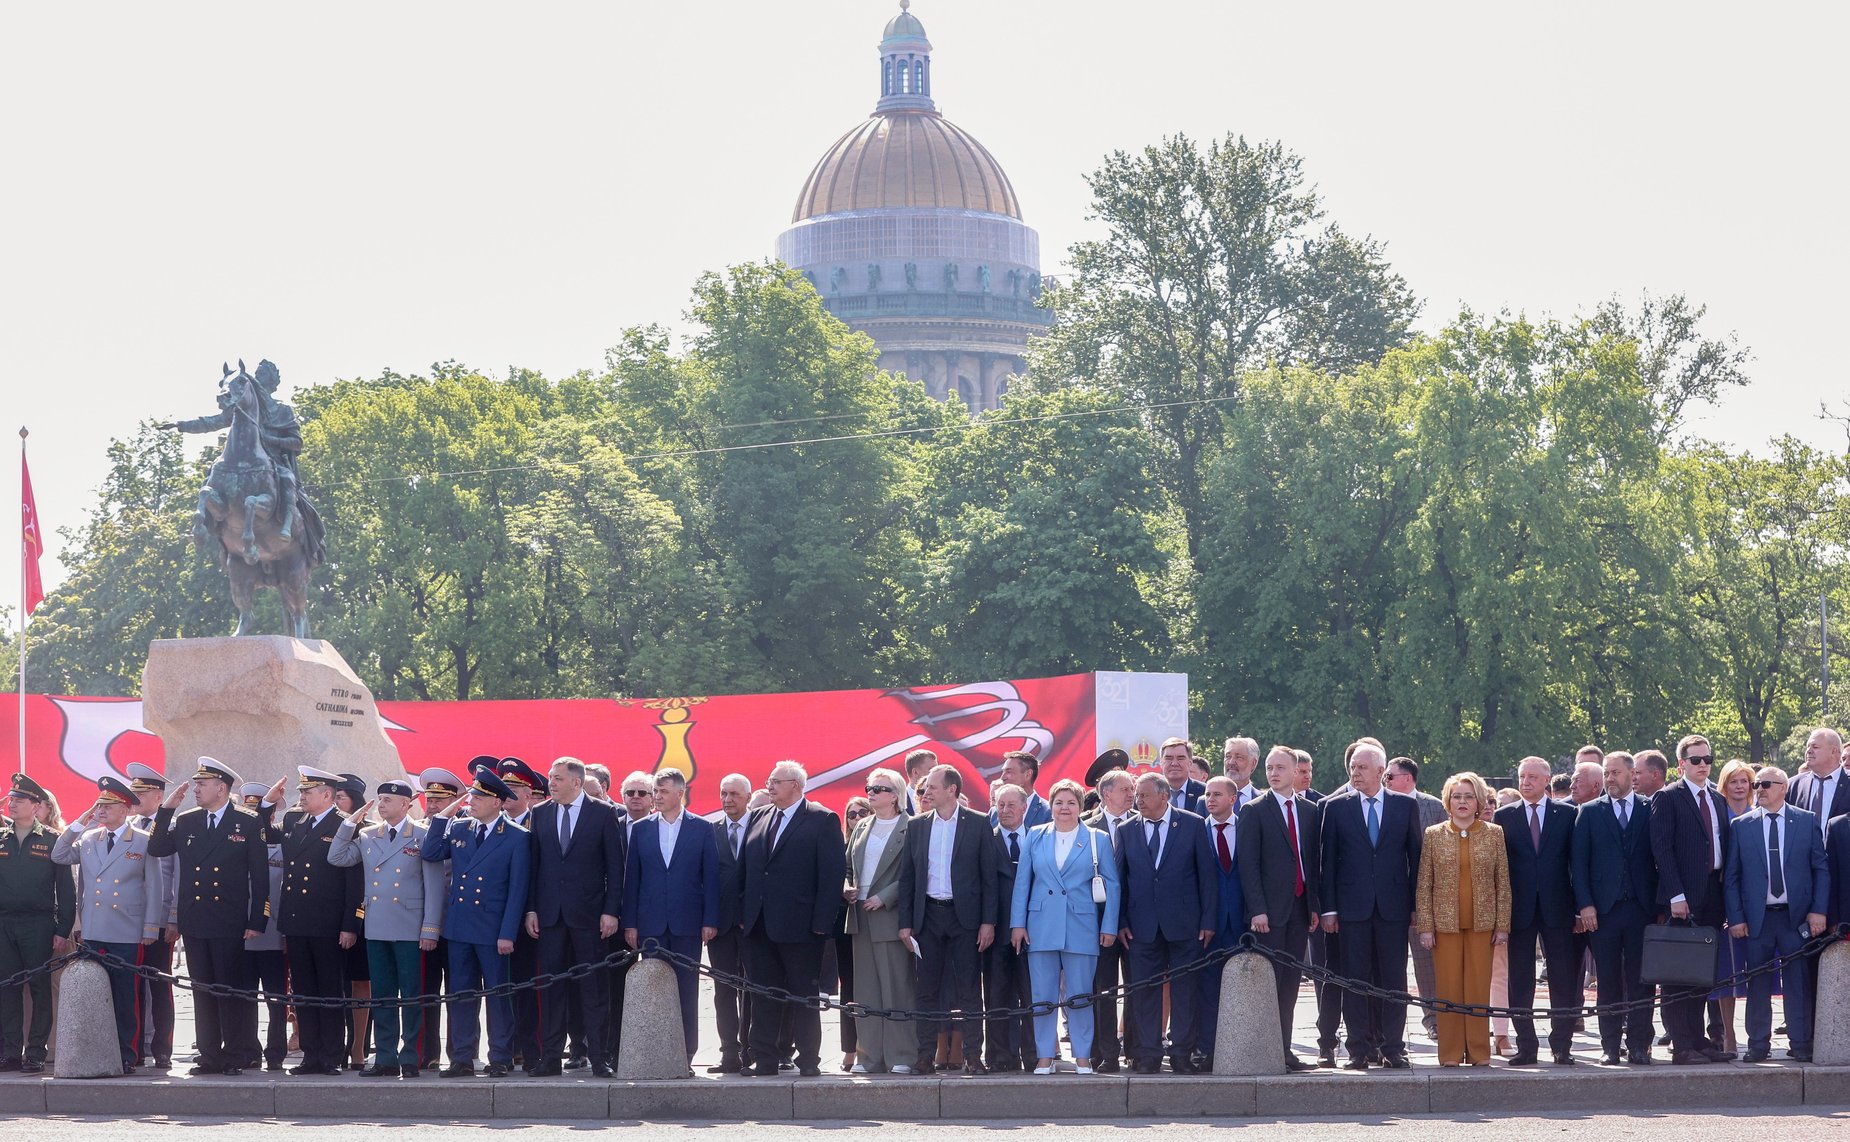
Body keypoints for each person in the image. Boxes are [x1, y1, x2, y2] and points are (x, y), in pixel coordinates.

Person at [147, 758, 270, 1076]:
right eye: (196, 784)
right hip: (196, 918)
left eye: (202, 784)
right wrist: (167, 810)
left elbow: (259, 876)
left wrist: (257, 919)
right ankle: (209, 1053)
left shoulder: (247, 821)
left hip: (229, 919)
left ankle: (235, 1053)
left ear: (222, 788)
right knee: (202, 988)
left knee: (229, 989)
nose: (196, 789)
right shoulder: (187, 821)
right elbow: (158, 847)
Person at [329, 775, 446, 1078]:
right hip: (377, 925)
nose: (382, 805)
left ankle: (410, 1057)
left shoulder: (422, 835)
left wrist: (430, 928)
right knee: (381, 996)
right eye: (380, 799)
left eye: (389, 800)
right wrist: (348, 824)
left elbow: (434, 886)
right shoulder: (368, 835)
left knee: (410, 995)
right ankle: (384, 1057)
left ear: (407, 804)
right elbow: (337, 856)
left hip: (409, 926)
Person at [735, 760, 846, 1077]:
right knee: (763, 995)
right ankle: (765, 1058)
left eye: (775, 781)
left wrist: (822, 925)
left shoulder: (821, 819)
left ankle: (808, 1058)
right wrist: (744, 913)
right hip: (760, 925)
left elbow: (831, 876)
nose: (769, 786)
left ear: (796, 785)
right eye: (769, 780)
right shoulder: (759, 816)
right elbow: (747, 870)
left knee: (803, 996)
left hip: (801, 927)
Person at [1318, 742, 1422, 1070]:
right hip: (1351, 910)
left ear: (1381, 772)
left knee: (1394, 979)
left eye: (1362, 767)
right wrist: (1329, 909)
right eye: (1352, 767)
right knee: (1354, 979)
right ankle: (1358, 1049)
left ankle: (1393, 1048)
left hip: (1392, 908)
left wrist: (1416, 907)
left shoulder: (1405, 807)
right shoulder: (1336, 808)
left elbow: (1415, 860)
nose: (1355, 773)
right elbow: (1328, 863)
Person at [422, 766, 530, 1077]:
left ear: (497, 802)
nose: (472, 801)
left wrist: (508, 933)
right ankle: (462, 1058)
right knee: (461, 995)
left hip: (493, 929)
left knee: (498, 995)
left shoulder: (516, 837)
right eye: (472, 795)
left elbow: (517, 890)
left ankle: (500, 1056)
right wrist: (442, 817)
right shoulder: (459, 829)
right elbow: (430, 852)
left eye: (479, 797)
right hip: (459, 926)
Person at [49, 775, 159, 1075]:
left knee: (126, 995)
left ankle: (128, 1053)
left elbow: (154, 886)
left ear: (124, 810)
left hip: (126, 928)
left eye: (108, 806)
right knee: (95, 994)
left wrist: (151, 927)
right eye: (99, 806)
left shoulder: (142, 840)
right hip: (95, 929)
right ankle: (97, 1049)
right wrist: (78, 823)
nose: (101, 811)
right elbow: (58, 855)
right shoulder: (87, 839)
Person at [1009, 778, 1119, 1075]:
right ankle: (1045, 1056)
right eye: (1059, 802)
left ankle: (1082, 1056)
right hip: (1041, 924)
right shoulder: (1035, 835)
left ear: (1080, 807)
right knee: (1041, 995)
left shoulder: (1098, 838)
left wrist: (1108, 925)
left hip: (1081, 924)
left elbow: (1113, 885)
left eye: (1071, 802)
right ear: (1051, 806)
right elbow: (1023, 883)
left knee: (1080, 995)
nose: (1064, 808)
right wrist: (1017, 923)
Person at [523, 756, 624, 1077]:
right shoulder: (539, 813)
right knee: (552, 989)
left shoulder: (604, 813)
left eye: (557, 778)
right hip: (550, 917)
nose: (550, 783)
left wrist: (611, 911)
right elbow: (533, 867)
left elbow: (616, 868)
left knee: (593, 989)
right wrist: (532, 909)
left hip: (590, 918)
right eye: (550, 777)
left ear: (577, 783)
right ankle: (551, 1057)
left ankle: (599, 1057)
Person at [1723, 766, 1830, 1062]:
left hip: (1795, 918)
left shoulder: (1806, 821)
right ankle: (1758, 1044)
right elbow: (1732, 877)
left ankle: (1800, 1042)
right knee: (1757, 982)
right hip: (1758, 918)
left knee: (1797, 980)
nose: (1760, 788)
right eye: (1757, 784)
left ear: (1783, 787)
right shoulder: (1742, 826)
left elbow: (1820, 870)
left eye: (1766, 784)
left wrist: (1818, 911)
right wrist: (1736, 917)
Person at [898, 763, 999, 1075]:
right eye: (926, 787)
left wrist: (988, 922)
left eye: (933, 787)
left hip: (964, 918)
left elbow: (989, 879)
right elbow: (908, 878)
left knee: (970, 989)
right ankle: (924, 1057)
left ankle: (973, 1057)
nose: (926, 792)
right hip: (928, 916)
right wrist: (905, 923)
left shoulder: (978, 823)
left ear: (952, 790)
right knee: (926, 989)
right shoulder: (917, 826)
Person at [1117, 770, 1216, 1074]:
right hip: (1141, 926)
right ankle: (1148, 1053)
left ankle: (1181, 1053)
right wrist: (1120, 921)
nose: (1139, 800)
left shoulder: (1193, 824)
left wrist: (1207, 920)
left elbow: (1207, 877)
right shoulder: (1126, 829)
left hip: (1185, 924)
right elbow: (1120, 879)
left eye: (1144, 795)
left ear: (1164, 795)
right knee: (1145, 991)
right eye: (1137, 795)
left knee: (1185, 991)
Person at [267, 766, 363, 1076]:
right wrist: (267, 805)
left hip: (329, 923)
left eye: (308, 792)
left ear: (327, 795)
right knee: (304, 991)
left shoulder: (345, 825)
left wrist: (350, 924)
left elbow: (353, 882)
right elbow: (265, 833)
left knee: (330, 991)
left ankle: (331, 1055)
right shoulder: (294, 820)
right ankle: (310, 1054)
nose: (302, 796)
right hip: (296, 920)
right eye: (301, 792)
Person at [624, 768, 720, 1069]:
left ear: (680, 793)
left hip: (687, 923)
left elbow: (712, 879)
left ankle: (686, 1054)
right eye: (656, 790)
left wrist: (710, 919)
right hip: (650, 923)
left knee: (687, 990)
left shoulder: (702, 828)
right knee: (652, 987)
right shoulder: (641, 829)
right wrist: (631, 923)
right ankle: (654, 1053)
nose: (657, 796)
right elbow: (632, 880)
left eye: (663, 790)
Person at [1648, 736, 1734, 1065]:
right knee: (1677, 974)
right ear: (1681, 763)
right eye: (1695, 760)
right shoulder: (1668, 797)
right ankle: (1681, 1044)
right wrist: (1676, 895)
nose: (1703, 765)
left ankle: (1698, 1039)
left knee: (1702, 973)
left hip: (1713, 893)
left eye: (1707, 759)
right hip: (1682, 898)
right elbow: (1662, 849)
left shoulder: (1717, 798)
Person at [1414, 772, 1510, 1067]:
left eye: (1469, 796)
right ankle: (1451, 1053)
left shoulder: (1494, 834)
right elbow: (1424, 884)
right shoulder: (1434, 835)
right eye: (1457, 796)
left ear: (1479, 800)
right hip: (1445, 926)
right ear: (1448, 801)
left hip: (1483, 924)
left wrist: (1502, 925)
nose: (1463, 802)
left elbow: (1502, 883)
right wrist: (1426, 927)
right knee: (1449, 989)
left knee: (1478, 988)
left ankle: (1480, 1052)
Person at [1236, 746, 1320, 1071]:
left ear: (1296, 770)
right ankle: (1265, 1052)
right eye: (1269, 767)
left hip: (1300, 911)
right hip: (1268, 916)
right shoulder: (1254, 810)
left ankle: (1284, 1052)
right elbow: (1249, 865)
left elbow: (1312, 863)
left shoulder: (1311, 811)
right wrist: (1257, 909)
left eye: (1280, 767)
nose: (1273, 773)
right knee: (1268, 984)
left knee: (1291, 984)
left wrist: (1314, 906)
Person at [1571, 750, 1657, 1065]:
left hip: (1641, 908)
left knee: (1641, 981)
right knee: (1607, 980)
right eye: (1606, 773)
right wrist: (1586, 906)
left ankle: (1639, 1045)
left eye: (1615, 773)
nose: (1610, 779)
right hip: (1603, 912)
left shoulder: (1650, 809)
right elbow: (1578, 864)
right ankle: (1610, 1046)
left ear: (1632, 775)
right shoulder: (1591, 812)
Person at [1494, 756, 1580, 1066]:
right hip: (1519, 909)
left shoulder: (1568, 814)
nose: (1526, 782)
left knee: (1563, 978)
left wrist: (1580, 907)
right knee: (1520, 979)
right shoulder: (1504, 817)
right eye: (1522, 776)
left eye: (1532, 777)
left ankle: (1562, 1045)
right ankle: (1526, 1046)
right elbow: (1499, 869)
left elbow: (1576, 864)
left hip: (1558, 907)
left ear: (1547, 780)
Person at [843, 767, 916, 1074]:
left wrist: (885, 897)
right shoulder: (862, 827)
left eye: (879, 789)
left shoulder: (911, 826)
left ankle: (901, 1056)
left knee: (896, 988)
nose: (871, 793)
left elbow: (912, 873)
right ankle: (869, 1056)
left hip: (889, 917)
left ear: (895, 795)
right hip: (860, 916)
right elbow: (848, 866)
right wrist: (846, 887)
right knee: (866, 990)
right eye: (870, 788)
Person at [0, 774, 74, 1075]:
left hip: (38, 924)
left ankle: (35, 1052)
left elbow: (66, 891)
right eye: (11, 799)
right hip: (4, 923)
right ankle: (10, 1052)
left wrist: (62, 929)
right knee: (7, 989)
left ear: (36, 805)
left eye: (19, 799)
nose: (12, 803)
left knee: (40, 987)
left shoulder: (52, 841)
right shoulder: (1, 839)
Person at [1079, 759, 1136, 1072]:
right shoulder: (1085, 826)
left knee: (1138, 988)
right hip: (1095, 923)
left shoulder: (1142, 822)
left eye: (1132, 788)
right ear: (1105, 794)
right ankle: (1106, 1053)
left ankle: (1136, 1050)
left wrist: (1124, 920)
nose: (1131, 793)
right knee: (1101, 990)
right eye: (1125, 789)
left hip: (1136, 924)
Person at [1385, 756, 1446, 1042]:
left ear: (1407, 778)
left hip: (1426, 899)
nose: (1386, 781)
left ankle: (1434, 1018)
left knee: (1427, 964)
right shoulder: (1381, 803)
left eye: (1390, 776)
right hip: (1389, 897)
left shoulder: (1433, 806)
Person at [124, 763, 178, 1071]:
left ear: (158, 796)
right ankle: (135, 1048)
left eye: (141, 793)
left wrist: (173, 917)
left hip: (159, 918)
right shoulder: (128, 825)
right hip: (129, 918)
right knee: (132, 985)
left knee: (160, 984)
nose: (135, 798)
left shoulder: (170, 828)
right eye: (133, 792)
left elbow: (179, 873)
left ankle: (162, 1049)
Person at [414, 766, 466, 1070]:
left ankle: (461, 1053)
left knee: (461, 993)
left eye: (440, 800)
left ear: (456, 800)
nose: (432, 806)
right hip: (424, 925)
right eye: (429, 799)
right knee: (425, 992)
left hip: (459, 923)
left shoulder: (466, 828)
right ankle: (426, 1053)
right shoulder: (418, 829)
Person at [1194, 775, 1246, 1070]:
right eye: (1207, 795)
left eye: (1216, 794)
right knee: (1208, 988)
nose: (1209, 799)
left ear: (1232, 799)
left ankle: (1241, 1048)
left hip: (1243, 924)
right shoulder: (1196, 830)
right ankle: (1208, 1049)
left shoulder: (1249, 828)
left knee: (1242, 987)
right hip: (1209, 925)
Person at [238, 780, 289, 1071]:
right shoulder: (235, 844)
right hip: (242, 931)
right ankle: (249, 1049)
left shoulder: (282, 844)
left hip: (274, 933)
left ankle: (276, 1052)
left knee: (276, 999)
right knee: (243, 996)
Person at [705, 772, 754, 1073]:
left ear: (748, 797)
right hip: (720, 927)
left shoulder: (762, 828)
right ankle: (729, 1053)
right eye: (724, 793)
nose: (728, 800)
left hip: (752, 926)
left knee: (752, 990)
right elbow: (705, 881)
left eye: (734, 794)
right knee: (723, 990)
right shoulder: (710, 831)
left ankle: (751, 1050)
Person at [984, 784, 1034, 1071]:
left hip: (1033, 932)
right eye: (1000, 805)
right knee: (997, 995)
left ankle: (1032, 1055)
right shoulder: (986, 840)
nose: (1005, 811)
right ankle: (999, 1056)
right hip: (996, 931)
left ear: (1024, 807)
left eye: (1011, 805)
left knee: (1032, 996)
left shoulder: (1039, 838)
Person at [1709, 759, 1757, 1051]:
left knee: (1755, 971)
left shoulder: (1759, 814)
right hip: (1720, 901)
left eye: (1744, 782)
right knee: (1724, 972)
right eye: (1733, 781)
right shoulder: (1716, 813)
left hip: (1755, 902)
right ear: (1724, 785)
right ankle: (1727, 1033)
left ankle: (1756, 1032)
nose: (1739, 787)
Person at [992, 751, 1051, 827]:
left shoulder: (1048, 812)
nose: (1002, 777)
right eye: (1003, 772)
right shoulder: (994, 812)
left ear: (1028, 775)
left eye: (1009, 772)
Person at [1159, 738, 1206, 813]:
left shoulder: (1204, 792)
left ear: (1190, 763)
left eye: (1180, 758)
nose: (1174, 763)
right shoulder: (1148, 792)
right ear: (1161, 762)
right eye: (1169, 758)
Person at [1221, 738, 1263, 813]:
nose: (1231, 762)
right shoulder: (1207, 801)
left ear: (1253, 763)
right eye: (1228, 756)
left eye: (1239, 757)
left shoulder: (1264, 801)